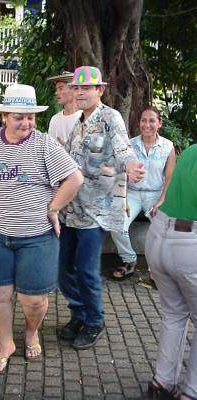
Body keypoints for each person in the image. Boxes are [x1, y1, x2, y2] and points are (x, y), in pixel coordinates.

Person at [0, 84, 83, 374]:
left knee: (33, 299)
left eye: (30, 117)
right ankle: (6, 343)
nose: (25, 123)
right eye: (18, 116)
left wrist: (53, 208)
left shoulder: (44, 145)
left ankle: (31, 332)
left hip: (37, 237)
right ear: (5, 116)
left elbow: (74, 178)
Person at [58, 66, 145, 350]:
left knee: (85, 269)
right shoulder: (76, 124)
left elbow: (122, 150)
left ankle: (94, 320)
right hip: (69, 209)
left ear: (100, 90)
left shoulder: (110, 118)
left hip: (95, 211)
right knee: (63, 270)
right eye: (77, 87)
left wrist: (131, 167)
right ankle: (79, 313)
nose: (80, 92)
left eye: (87, 87)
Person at [145, 144, 197, 400]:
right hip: (190, 245)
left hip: (158, 237)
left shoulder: (191, 151)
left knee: (174, 314)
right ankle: (191, 392)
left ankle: (161, 384)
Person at [111, 106, 176, 280]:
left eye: (152, 120)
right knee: (117, 224)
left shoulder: (168, 147)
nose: (147, 124)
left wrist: (162, 200)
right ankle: (129, 260)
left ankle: (155, 269)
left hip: (155, 194)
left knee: (163, 229)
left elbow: (169, 178)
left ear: (159, 123)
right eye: (143, 120)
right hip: (131, 193)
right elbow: (121, 174)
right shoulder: (129, 145)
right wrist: (123, 199)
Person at [47, 71, 82, 145]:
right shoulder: (54, 120)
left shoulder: (86, 117)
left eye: (60, 88)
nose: (56, 93)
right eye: (56, 89)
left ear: (74, 90)